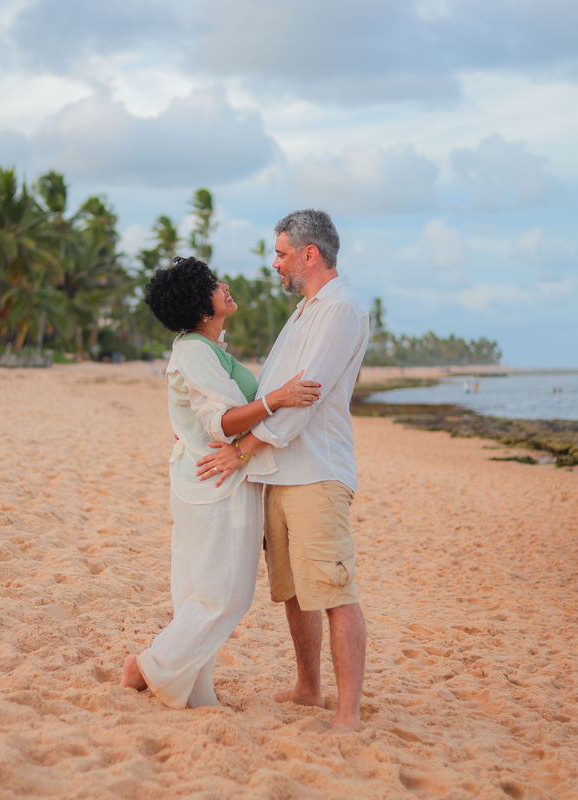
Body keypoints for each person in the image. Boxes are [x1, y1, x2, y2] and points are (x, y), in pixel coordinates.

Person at [195, 209, 370, 733]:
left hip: (317, 473)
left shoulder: (340, 308)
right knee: (295, 592)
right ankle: (309, 689)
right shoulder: (305, 311)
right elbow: (271, 388)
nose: (276, 265)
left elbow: (305, 397)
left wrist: (241, 448)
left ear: (309, 254)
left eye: (281, 254)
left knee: (334, 592)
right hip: (280, 473)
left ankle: (348, 714)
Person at [120, 256, 322, 709]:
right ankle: (145, 668)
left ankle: (196, 694)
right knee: (226, 595)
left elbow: (196, 414)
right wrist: (278, 398)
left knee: (198, 591)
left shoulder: (203, 348)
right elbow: (222, 424)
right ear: (199, 306)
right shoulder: (194, 350)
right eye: (213, 284)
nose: (225, 285)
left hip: (204, 478)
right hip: (217, 481)